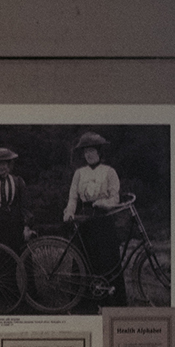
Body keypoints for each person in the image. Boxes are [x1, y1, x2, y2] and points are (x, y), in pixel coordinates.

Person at [62, 131, 127, 306]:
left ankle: (110, 300)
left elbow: (115, 198)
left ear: (99, 151)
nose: (89, 154)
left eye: (92, 150)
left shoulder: (109, 172)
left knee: (107, 259)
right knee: (83, 259)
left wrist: (104, 203)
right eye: (85, 151)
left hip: (103, 220)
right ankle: (84, 303)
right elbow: (73, 197)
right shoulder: (79, 173)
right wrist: (69, 212)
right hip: (84, 220)